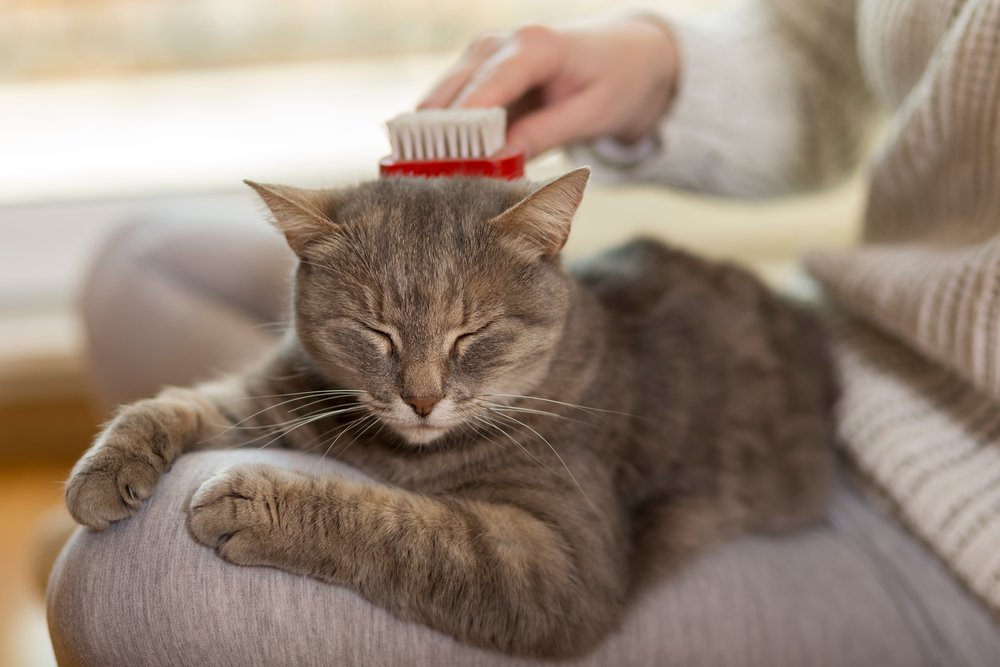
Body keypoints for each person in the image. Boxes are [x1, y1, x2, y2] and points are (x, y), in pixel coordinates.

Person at [49, 1, 1000, 664]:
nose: (422, 391)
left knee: (126, 580)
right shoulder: (453, 329)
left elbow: (558, 593)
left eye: (466, 349)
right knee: (147, 263)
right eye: (384, 344)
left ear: (549, 253)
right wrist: (655, 63)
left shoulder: (567, 400)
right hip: (866, 339)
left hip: (938, 528)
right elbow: (837, 39)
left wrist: (324, 520)